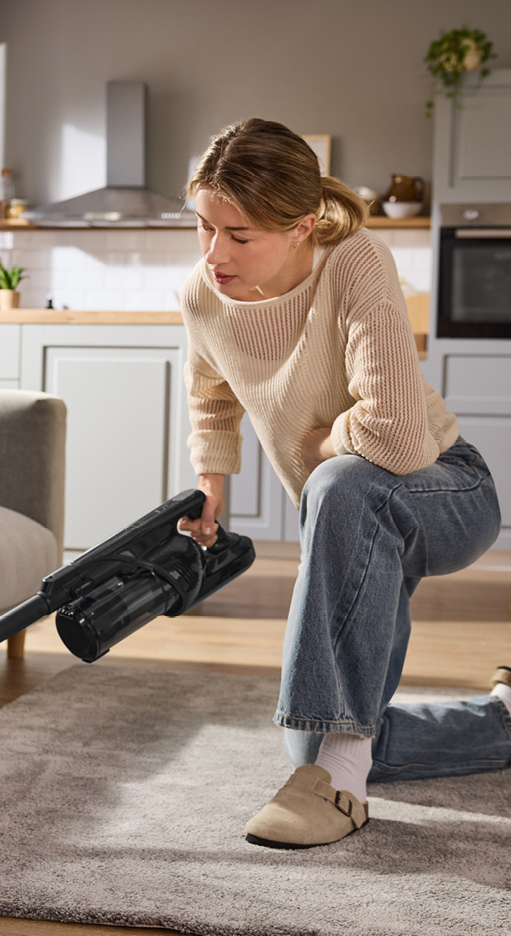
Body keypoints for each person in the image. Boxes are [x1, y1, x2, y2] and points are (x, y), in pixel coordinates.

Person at [176, 117, 508, 849]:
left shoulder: (353, 261)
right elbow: (211, 392)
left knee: (339, 481)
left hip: (443, 489)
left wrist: (325, 441)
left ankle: (340, 793)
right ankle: (491, 725)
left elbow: (396, 432)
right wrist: (211, 485)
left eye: (239, 235)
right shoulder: (203, 293)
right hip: (350, 518)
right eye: (203, 227)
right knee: (320, 735)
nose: (214, 253)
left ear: (300, 227)